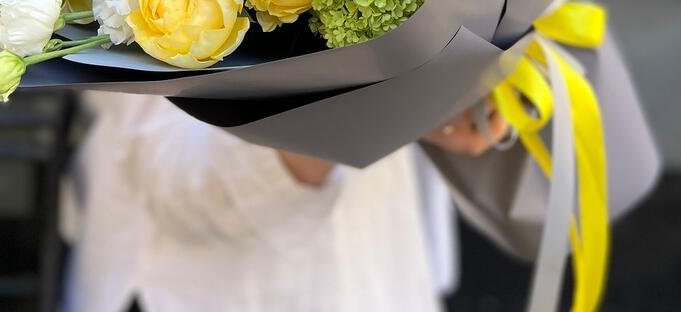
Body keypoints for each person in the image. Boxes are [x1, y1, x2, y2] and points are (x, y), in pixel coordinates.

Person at [61, 92, 509, 312]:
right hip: (219, 287)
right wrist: (367, 112)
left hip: (385, 268)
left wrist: (454, 93)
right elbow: (174, 178)